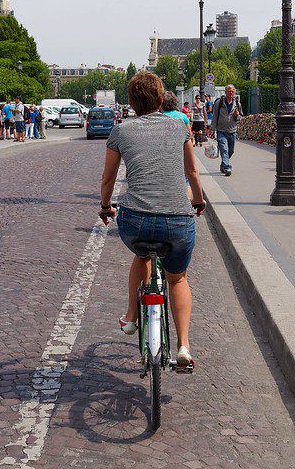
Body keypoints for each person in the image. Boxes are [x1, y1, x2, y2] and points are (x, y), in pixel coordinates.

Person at [99, 71, 205, 370]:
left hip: (136, 221)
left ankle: (132, 316)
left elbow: (108, 178)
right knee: (177, 278)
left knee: (141, 254)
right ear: (161, 99)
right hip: (177, 221)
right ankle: (183, 346)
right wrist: (197, 200)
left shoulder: (121, 130)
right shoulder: (179, 126)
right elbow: (193, 174)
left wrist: (106, 206)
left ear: (131, 102)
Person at [210, 85, 242, 176]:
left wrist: (237, 115)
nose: (231, 93)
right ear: (225, 92)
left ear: (234, 92)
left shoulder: (237, 103)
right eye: (229, 91)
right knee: (224, 149)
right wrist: (212, 129)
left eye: (232, 91)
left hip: (232, 131)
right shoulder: (219, 102)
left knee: (230, 151)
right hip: (221, 130)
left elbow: (240, 117)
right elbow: (215, 116)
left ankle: (223, 164)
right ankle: (227, 167)